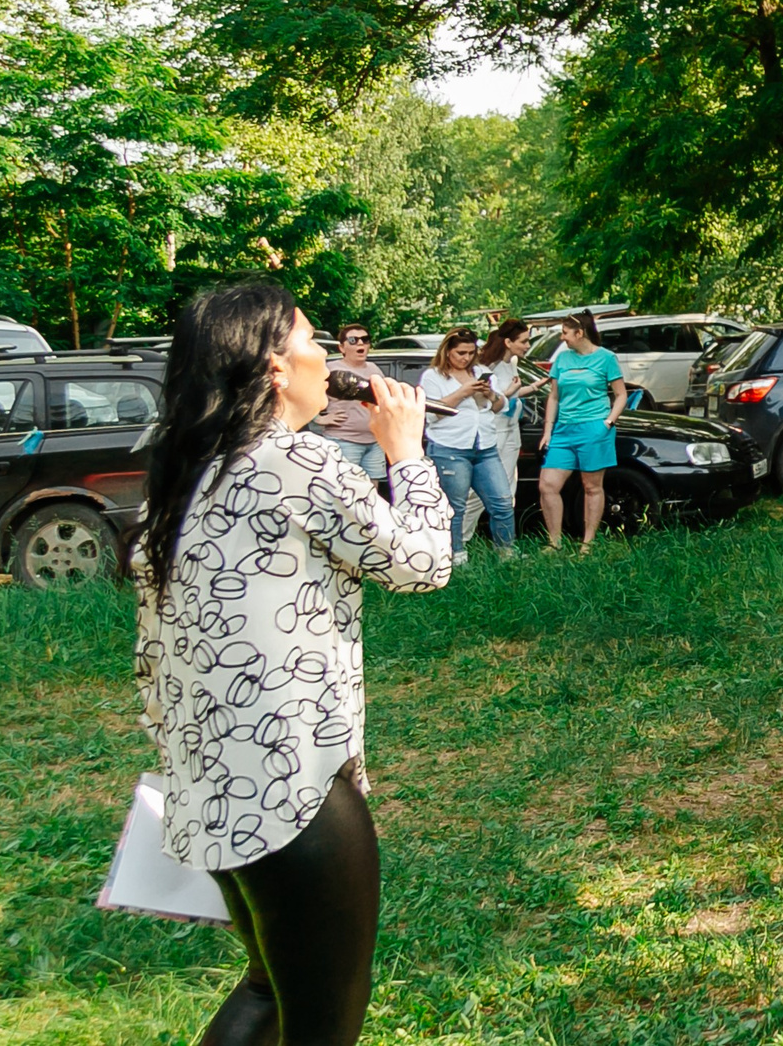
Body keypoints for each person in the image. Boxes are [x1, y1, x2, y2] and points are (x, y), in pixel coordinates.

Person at [130, 280, 451, 1046]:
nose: (322, 358)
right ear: (276, 368)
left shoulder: (182, 475)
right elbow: (423, 562)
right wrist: (405, 454)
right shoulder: (294, 462)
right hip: (296, 790)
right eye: (310, 341)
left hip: (209, 785)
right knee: (321, 1023)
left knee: (269, 989)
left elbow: (152, 654)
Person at [421, 327, 516, 561]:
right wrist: (463, 392)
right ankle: (456, 555)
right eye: (460, 353)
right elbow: (432, 414)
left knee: (503, 501)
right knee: (455, 506)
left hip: (485, 446)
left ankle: (507, 551)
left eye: (470, 353)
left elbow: (499, 407)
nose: (465, 358)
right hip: (450, 446)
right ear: (447, 351)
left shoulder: (481, 371)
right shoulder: (433, 376)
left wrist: (491, 394)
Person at [538, 310, 627, 551]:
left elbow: (621, 395)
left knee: (591, 487)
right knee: (547, 485)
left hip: (594, 428)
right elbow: (554, 397)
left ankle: (588, 543)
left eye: (565, 333)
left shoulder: (606, 358)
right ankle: (554, 542)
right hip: (564, 430)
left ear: (580, 333)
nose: (562, 338)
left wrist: (607, 423)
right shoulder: (563, 359)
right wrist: (548, 431)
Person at [459, 319, 536, 543]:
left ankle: (505, 546)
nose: (527, 346)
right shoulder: (488, 368)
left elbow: (512, 394)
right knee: (483, 494)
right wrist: (509, 391)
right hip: (497, 433)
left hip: (513, 433)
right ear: (508, 342)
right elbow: (486, 401)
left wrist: (530, 388)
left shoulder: (511, 363)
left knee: (508, 492)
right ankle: (457, 540)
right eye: (524, 341)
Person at [316, 323, 390, 485]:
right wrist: (318, 419)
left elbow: (385, 399)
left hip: (375, 442)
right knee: (345, 490)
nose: (360, 344)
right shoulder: (331, 370)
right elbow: (306, 395)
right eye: (353, 340)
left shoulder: (374, 369)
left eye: (365, 340)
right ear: (342, 347)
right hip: (343, 441)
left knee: (372, 492)